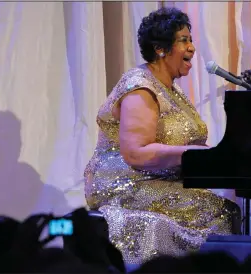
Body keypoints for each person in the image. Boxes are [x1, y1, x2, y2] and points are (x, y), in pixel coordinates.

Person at [84, 7, 241, 265]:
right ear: (160, 48)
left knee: (227, 206)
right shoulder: (140, 86)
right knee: (219, 210)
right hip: (126, 184)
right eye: (184, 40)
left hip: (157, 181)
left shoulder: (171, 90)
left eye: (191, 40)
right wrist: (197, 155)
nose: (191, 48)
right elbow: (135, 152)